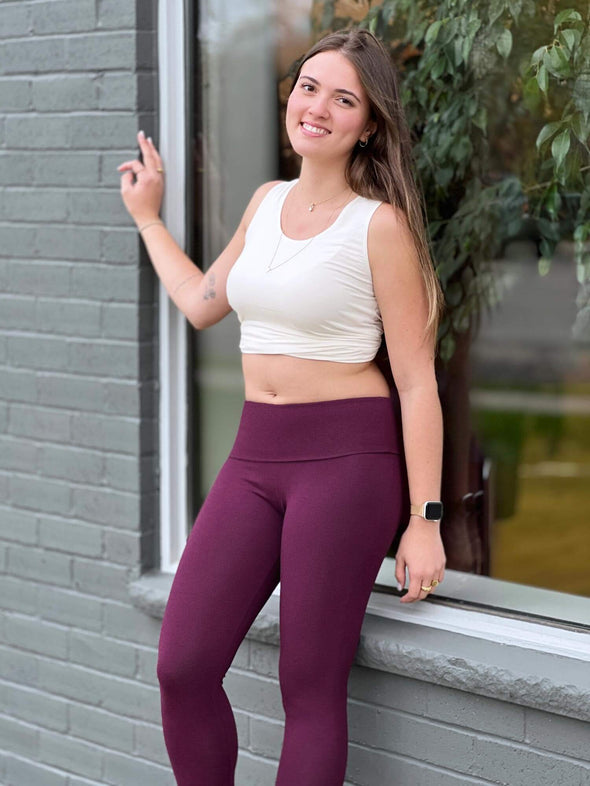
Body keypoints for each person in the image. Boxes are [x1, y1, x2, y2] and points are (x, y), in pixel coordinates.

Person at [118, 27, 446, 786]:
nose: (319, 107)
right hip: (255, 456)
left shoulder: (380, 226)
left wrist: (424, 520)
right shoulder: (266, 203)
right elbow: (203, 303)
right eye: (309, 87)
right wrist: (148, 219)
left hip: (347, 463)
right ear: (288, 97)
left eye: (344, 98)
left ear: (368, 124)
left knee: (308, 685)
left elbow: (418, 381)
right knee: (184, 665)